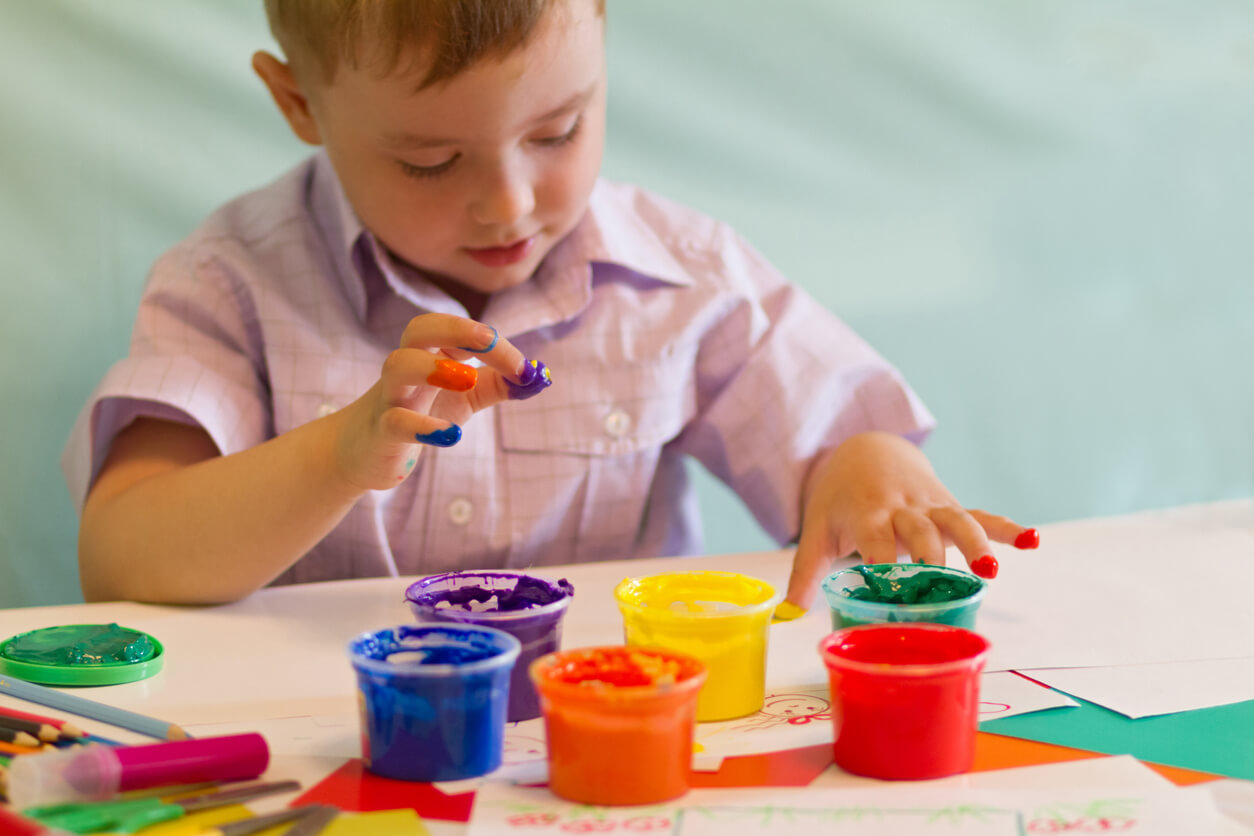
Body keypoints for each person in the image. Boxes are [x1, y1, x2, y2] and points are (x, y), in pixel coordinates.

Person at [63, 0, 1037, 608]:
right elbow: (123, 556)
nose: (509, 204)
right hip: (334, 743)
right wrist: (338, 456)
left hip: (614, 730)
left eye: (558, 131)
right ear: (299, 104)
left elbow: (838, 442)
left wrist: (867, 466)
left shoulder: (682, 274)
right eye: (430, 161)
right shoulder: (231, 280)